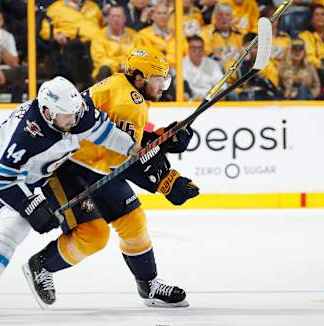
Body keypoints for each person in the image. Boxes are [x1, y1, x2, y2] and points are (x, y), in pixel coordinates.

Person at [0, 76, 138, 317]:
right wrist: (29, 205)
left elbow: (104, 130)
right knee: (15, 223)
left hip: (28, 177)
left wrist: (132, 147)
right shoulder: (27, 132)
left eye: (75, 112)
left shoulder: (77, 111)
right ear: (48, 113)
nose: (74, 120)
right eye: (67, 115)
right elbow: (4, 181)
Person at [22, 47, 198, 309]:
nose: (163, 86)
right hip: (69, 168)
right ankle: (40, 266)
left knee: (134, 223)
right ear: (139, 78)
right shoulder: (130, 102)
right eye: (158, 79)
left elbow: (127, 144)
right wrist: (165, 180)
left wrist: (163, 137)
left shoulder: (121, 88)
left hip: (98, 166)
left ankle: (148, 285)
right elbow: (130, 155)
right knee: (93, 235)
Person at [90, 4, 140, 81]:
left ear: (124, 18)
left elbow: (139, 55)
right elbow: (99, 58)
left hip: (129, 70)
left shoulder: (134, 35)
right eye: (113, 16)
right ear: (108, 18)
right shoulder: (98, 36)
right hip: (108, 72)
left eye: (119, 16)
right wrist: (119, 65)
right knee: (104, 68)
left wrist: (126, 65)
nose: (116, 19)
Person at [182, 35, 224, 101]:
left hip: (210, 100)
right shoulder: (182, 64)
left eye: (200, 48)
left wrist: (215, 93)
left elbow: (221, 84)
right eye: (194, 48)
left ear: (203, 49)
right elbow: (183, 87)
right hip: (190, 102)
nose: (197, 51)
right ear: (188, 49)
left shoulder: (212, 64)